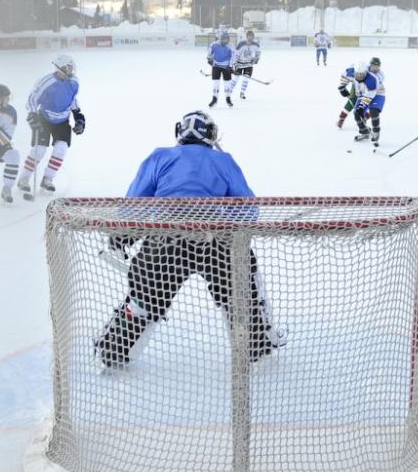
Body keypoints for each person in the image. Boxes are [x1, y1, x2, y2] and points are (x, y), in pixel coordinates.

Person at [95, 110, 284, 368]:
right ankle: (258, 345)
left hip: (164, 240)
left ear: (179, 132)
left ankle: (113, 351)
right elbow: (248, 209)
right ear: (212, 134)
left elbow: (134, 204)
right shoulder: (223, 160)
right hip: (216, 241)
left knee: (144, 297)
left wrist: (122, 235)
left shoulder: (159, 157)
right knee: (242, 289)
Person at [18, 54, 83, 197]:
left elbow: (72, 100)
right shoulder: (47, 81)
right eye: (68, 67)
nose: (71, 70)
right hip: (44, 119)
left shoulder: (74, 82)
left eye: (72, 67)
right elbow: (32, 99)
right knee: (39, 150)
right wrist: (32, 116)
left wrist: (79, 117)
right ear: (61, 68)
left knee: (61, 149)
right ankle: (24, 178)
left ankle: (47, 179)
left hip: (63, 121)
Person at [352, 57, 387, 147]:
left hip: (377, 94)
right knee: (356, 113)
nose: (359, 76)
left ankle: (376, 131)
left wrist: (361, 106)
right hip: (364, 94)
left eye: (361, 75)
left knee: (373, 111)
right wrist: (342, 87)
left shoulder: (374, 78)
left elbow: (370, 95)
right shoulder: (359, 70)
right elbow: (347, 73)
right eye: (357, 74)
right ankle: (364, 132)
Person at [227, 29, 261, 100]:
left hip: (249, 64)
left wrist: (256, 59)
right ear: (247, 36)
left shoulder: (256, 45)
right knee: (236, 79)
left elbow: (258, 53)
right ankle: (229, 92)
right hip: (239, 64)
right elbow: (235, 54)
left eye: (252, 36)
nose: (251, 38)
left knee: (246, 79)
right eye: (249, 36)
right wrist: (234, 64)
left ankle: (242, 93)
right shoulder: (241, 44)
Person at [206, 30, 234, 107]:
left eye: (227, 39)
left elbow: (233, 57)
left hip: (226, 66)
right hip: (216, 66)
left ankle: (228, 98)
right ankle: (215, 98)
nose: (226, 40)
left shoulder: (230, 46)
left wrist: (231, 66)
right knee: (216, 83)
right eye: (224, 39)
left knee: (227, 83)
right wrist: (209, 59)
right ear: (220, 38)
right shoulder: (214, 45)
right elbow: (209, 54)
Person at [335, 62, 361, 129]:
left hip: (367, 87)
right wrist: (342, 87)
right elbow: (345, 77)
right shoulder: (350, 71)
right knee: (351, 101)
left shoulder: (370, 73)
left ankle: (363, 120)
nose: (359, 76)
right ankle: (341, 120)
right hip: (355, 86)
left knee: (366, 104)